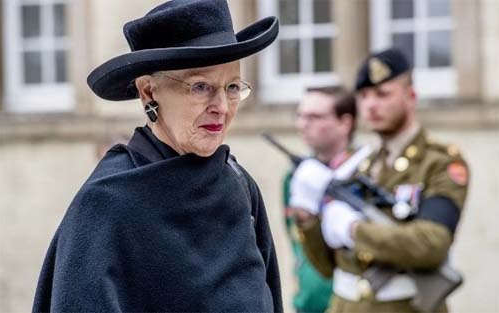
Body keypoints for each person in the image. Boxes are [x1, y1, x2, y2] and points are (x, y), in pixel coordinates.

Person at [32, 0, 283, 312]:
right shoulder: (106, 203)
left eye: (232, 86)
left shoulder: (239, 185)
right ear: (148, 92)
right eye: (201, 86)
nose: (222, 105)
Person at [290, 48, 469, 313]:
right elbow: (327, 267)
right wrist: (307, 219)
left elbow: (432, 244)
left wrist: (353, 230)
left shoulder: (440, 163)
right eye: (364, 96)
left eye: (383, 94)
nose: (371, 105)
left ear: (411, 96)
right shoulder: (358, 165)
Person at [282, 86, 357, 313]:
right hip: (308, 303)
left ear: (345, 122)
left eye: (314, 117)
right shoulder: (295, 178)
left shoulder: (363, 173)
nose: (303, 124)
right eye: (300, 116)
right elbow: (297, 240)